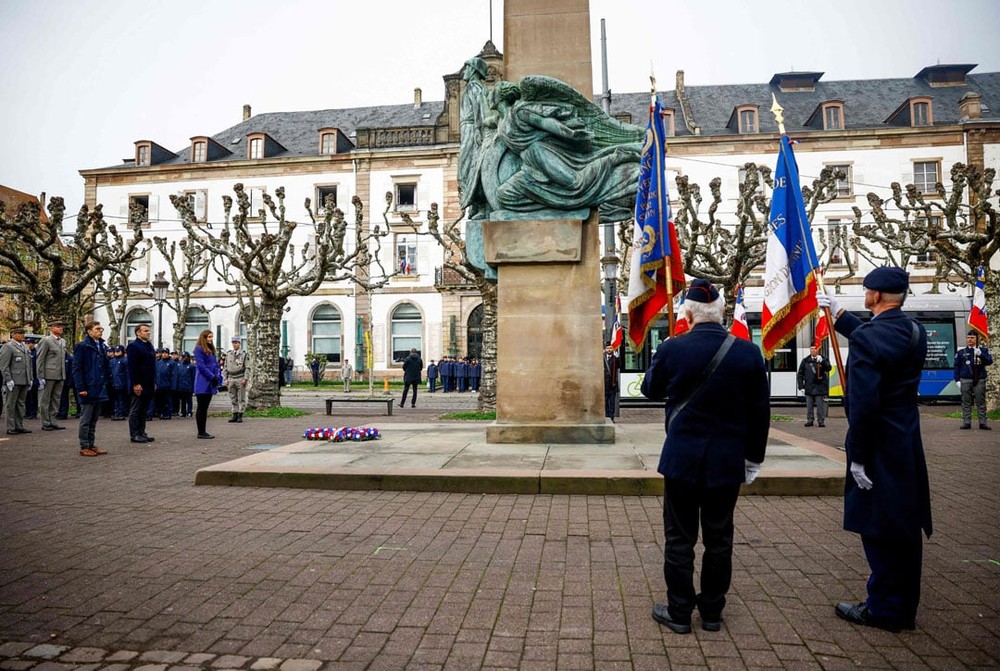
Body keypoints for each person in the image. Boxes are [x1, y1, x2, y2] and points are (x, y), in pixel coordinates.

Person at [641, 279, 769, 634]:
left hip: (682, 459)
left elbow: (650, 390)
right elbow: (761, 412)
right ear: (722, 312)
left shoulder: (673, 348)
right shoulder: (748, 352)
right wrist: (753, 458)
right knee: (719, 539)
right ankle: (712, 611)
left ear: (687, 313)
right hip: (726, 462)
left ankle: (679, 612)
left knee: (679, 538)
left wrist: (662, 354)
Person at [817, 267, 932, 633]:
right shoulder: (915, 332)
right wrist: (839, 317)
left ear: (876, 297)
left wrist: (860, 456)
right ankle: (904, 607)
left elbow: (864, 404)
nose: (864, 295)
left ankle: (883, 609)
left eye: (866, 291)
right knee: (904, 525)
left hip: (878, 445)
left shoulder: (870, 338)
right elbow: (880, 341)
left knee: (879, 526)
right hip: (906, 441)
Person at [72, 321, 111, 457]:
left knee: (94, 418)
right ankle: (84, 445)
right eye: (97, 329)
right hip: (88, 387)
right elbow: (77, 368)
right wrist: (81, 387)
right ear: (89, 331)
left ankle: (91, 444)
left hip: (99, 386)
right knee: (86, 418)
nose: (101, 331)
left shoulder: (102, 345)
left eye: (101, 328)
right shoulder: (83, 346)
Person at [1, 326, 35, 435]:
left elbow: (28, 365)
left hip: (24, 380)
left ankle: (19, 425)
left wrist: (30, 379)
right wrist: (8, 380)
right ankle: (11, 427)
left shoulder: (25, 347)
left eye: (23, 333)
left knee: (21, 404)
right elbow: (4, 366)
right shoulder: (8, 347)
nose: (22, 335)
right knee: (11, 404)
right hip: (14, 380)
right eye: (20, 333)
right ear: (13, 334)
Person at [954, 332, 992, 430]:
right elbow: (956, 367)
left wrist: (980, 354)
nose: (970, 340)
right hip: (965, 379)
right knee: (966, 402)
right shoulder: (961, 352)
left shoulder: (983, 350)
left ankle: (982, 422)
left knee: (980, 402)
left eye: (972, 337)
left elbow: (989, 361)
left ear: (977, 339)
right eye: (968, 337)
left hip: (979, 379)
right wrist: (957, 380)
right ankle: (966, 422)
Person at [35, 319, 68, 431]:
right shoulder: (46, 341)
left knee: (56, 399)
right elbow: (40, 359)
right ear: (51, 328)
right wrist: (40, 376)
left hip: (60, 374)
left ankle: (53, 421)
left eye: (61, 326)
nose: (60, 328)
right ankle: (45, 422)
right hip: (48, 374)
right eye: (58, 326)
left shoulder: (62, 341)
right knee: (45, 399)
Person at [127, 324, 157, 444]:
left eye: (148, 331)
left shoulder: (149, 345)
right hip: (139, 382)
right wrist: (135, 383)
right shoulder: (133, 346)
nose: (148, 333)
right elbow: (132, 367)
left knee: (144, 409)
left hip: (149, 382)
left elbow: (152, 366)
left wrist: (154, 381)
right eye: (145, 331)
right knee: (136, 409)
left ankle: (141, 432)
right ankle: (134, 434)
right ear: (138, 333)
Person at [193, 329, 221, 439]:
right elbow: (201, 366)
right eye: (209, 337)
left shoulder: (211, 350)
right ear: (204, 338)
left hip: (210, 380)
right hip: (203, 381)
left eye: (211, 337)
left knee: (205, 407)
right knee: (201, 407)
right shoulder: (199, 349)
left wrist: (217, 376)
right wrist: (211, 376)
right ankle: (201, 431)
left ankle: (203, 430)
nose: (211, 339)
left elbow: (215, 364)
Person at [797, 345, 832, 427]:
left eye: (815, 348)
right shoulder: (805, 361)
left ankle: (821, 421)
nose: (813, 350)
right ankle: (810, 420)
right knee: (809, 406)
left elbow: (828, 368)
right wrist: (801, 386)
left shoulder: (822, 359)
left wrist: (822, 361)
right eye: (811, 348)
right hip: (809, 386)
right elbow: (800, 374)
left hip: (819, 387)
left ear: (818, 350)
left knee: (820, 406)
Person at [225, 336, 249, 423]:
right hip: (231, 378)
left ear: (239, 344)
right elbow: (225, 367)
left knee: (241, 397)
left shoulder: (243, 354)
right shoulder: (229, 354)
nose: (235, 344)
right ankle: (234, 413)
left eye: (236, 343)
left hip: (240, 377)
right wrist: (225, 378)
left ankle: (240, 414)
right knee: (232, 397)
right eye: (233, 343)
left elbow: (247, 367)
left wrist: (245, 378)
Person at [603, 343, 619, 422]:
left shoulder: (615, 359)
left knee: (612, 402)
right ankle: (607, 416)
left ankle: (612, 417)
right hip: (605, 384)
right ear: (605, 350)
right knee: (605, 402)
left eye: (610, 348)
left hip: (613, 384)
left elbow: (619, 366)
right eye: (607, 348)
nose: (609, 350)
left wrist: (617, 358)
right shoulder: (602, 359)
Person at [177, 352, 195, 418]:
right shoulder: (179, 365)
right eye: (183, 356)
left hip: (188, 386)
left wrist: (193, 387)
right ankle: (183, 412)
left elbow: (193, 377)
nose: (184, 358)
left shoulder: (191, 366)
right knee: (183, 400)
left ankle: (189, 411)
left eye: (185, 356)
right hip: (181, 386)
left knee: (189, 400)